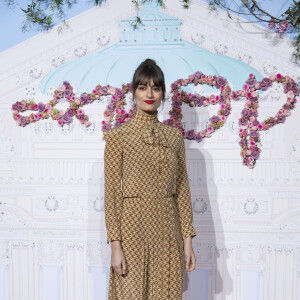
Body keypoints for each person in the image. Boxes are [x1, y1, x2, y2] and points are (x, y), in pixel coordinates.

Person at [104, 58, 197, 299]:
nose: (149, 94)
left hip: (168, 231)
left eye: (156, 88)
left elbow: (182, 189)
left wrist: (187, 241)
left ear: (163, 93)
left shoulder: (174, 137)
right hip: (132, 229)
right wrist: (115, 246)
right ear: (133, 92)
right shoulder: (118, 137)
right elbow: (113, 193)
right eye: (143, 87)